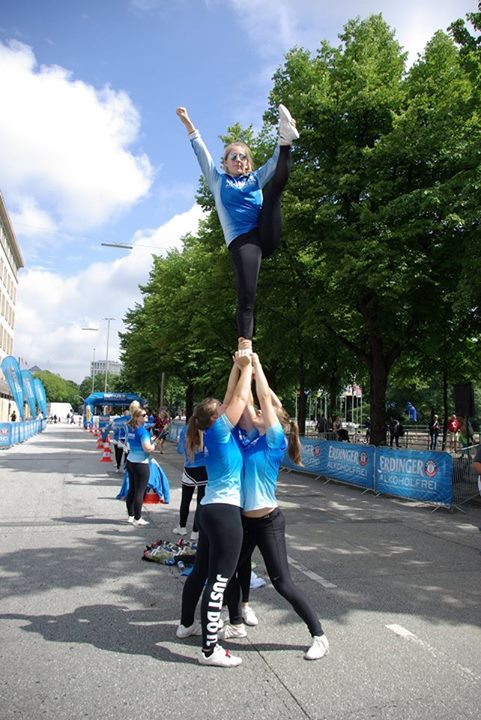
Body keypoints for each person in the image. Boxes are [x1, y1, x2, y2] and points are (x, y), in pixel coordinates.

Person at [223, 353, 329, 661]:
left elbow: (265, 400)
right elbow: (235, 398)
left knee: (283, 583)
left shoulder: (274, 442)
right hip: (243, 522)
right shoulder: (245, 441)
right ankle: (236, 622)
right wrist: (241, 366)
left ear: (273, 424)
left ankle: (319, 636)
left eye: (262, 412)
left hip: (268, 521)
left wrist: (256, 364)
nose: (256, 411)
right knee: (227, 573)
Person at [176, 104, 299, 356]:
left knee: (274, 190)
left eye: (243, 157)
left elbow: (276, 162)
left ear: (248, 163)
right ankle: (245, 341)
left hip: (264, 233)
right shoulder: (218, 181)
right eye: (234, 157)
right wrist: (189, 124)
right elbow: (202, 153)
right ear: (226, 163)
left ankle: (285, 137)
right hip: (243, 242)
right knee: (247, 292)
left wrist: (283, 143)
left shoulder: (255, 179)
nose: (239, 160)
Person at [176, 354, 253, 668]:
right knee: (219, 580)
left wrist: (236, 366)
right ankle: (210, 650)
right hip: (223, 513)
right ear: (216, 417)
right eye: (221, 409)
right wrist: (247, 366)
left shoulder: (211, 429)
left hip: (209, 509)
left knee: (200, 573)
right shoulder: (221, 430)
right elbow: (241, 397)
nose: (225, 407)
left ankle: (185, 625)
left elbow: (229, 397)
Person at [173, 423, 208, 541]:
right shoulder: (208, 429)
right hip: (205, 469)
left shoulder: (186, 428)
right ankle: (195, 531)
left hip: (189, 468)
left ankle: (182, 527)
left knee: (185, 499)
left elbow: (179, 450)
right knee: (200, 501)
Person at [125, 407, 158, 526]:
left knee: (132, 489)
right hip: (141, 463)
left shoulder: (131, 429)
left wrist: (150, 440)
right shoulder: (143, 431)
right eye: (144, 415)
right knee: (140, 491)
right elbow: (147, 448)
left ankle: (131, 515)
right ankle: (138, 518)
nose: (147, 417)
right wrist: (154, 446)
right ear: (137, 417)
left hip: (130, 461)